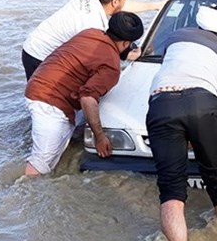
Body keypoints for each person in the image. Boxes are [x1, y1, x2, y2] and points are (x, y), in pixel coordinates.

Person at [145, 4, 217, 241]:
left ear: (199, 26)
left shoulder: (175, 37)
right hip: (204, 104)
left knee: (171, 188)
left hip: (161, 104)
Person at [23, 12, 144, 176]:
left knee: (66, 141)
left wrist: (125, 55)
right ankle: (24, 195)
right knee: (41, 163)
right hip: (49, 102)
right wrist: (100, 137)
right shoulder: (111, 67)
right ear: (126, 43)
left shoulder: (90, 33)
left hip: (37, 83)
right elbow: (87, 99)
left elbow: (98, 55)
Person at [21, 0, 161, 80]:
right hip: (40, 55)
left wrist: (155, 5)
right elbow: (100, 52)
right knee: (47, 96)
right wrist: (126, 55)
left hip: (34, 42)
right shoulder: (92, 24)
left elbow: (120, 7)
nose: (125, 2)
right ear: (114, 1)